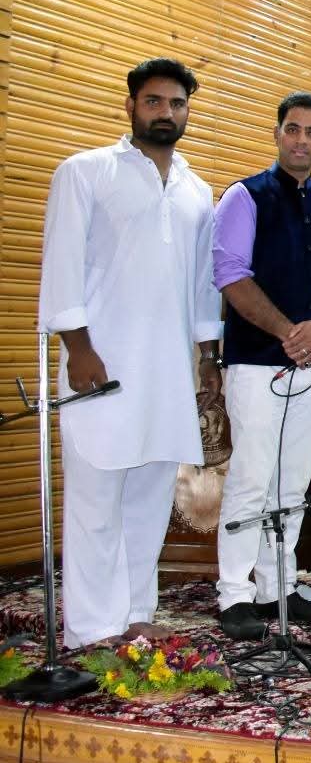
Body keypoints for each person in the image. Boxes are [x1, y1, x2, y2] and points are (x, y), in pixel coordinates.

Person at [39, 57, 222, 649]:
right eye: (154, 101)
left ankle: (137, 610)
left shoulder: (197, 191)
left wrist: (207, 357)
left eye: (177, 103)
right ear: (131, 106)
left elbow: (202, 285)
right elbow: (62, 264)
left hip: (168, 370)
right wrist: (78, 347)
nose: (166, 112)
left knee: (149, 496)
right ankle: (92, 628)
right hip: (102, 364)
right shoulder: (85, 172)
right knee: (96, 498)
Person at [212, 90, 311, 639]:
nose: (302, 141)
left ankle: (277, 587)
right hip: (257, 363)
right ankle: (234, 593)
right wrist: (287, 332)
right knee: (251, 477)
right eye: (293, 129)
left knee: (294, 482)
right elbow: (230, 275)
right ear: (277, 133)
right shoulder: (244, 197)